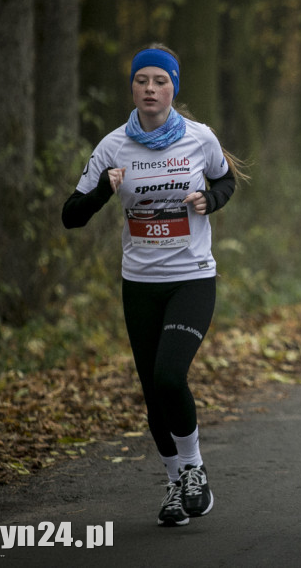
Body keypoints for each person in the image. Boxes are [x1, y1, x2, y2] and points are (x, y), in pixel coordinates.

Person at [62, 44, 246, 527]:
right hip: (139, 284)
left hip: (191, 279)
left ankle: (194, 470)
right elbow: (70, 216)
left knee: (169, 376)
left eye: (159, 81)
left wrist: (210, 199)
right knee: (152, 392)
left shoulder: (199, 138)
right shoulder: (113, 146)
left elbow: (226, 182)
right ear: (132, 87)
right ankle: (173, 485)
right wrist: (105, 188)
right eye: (141, 80)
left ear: (173, 88)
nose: (150, 88)